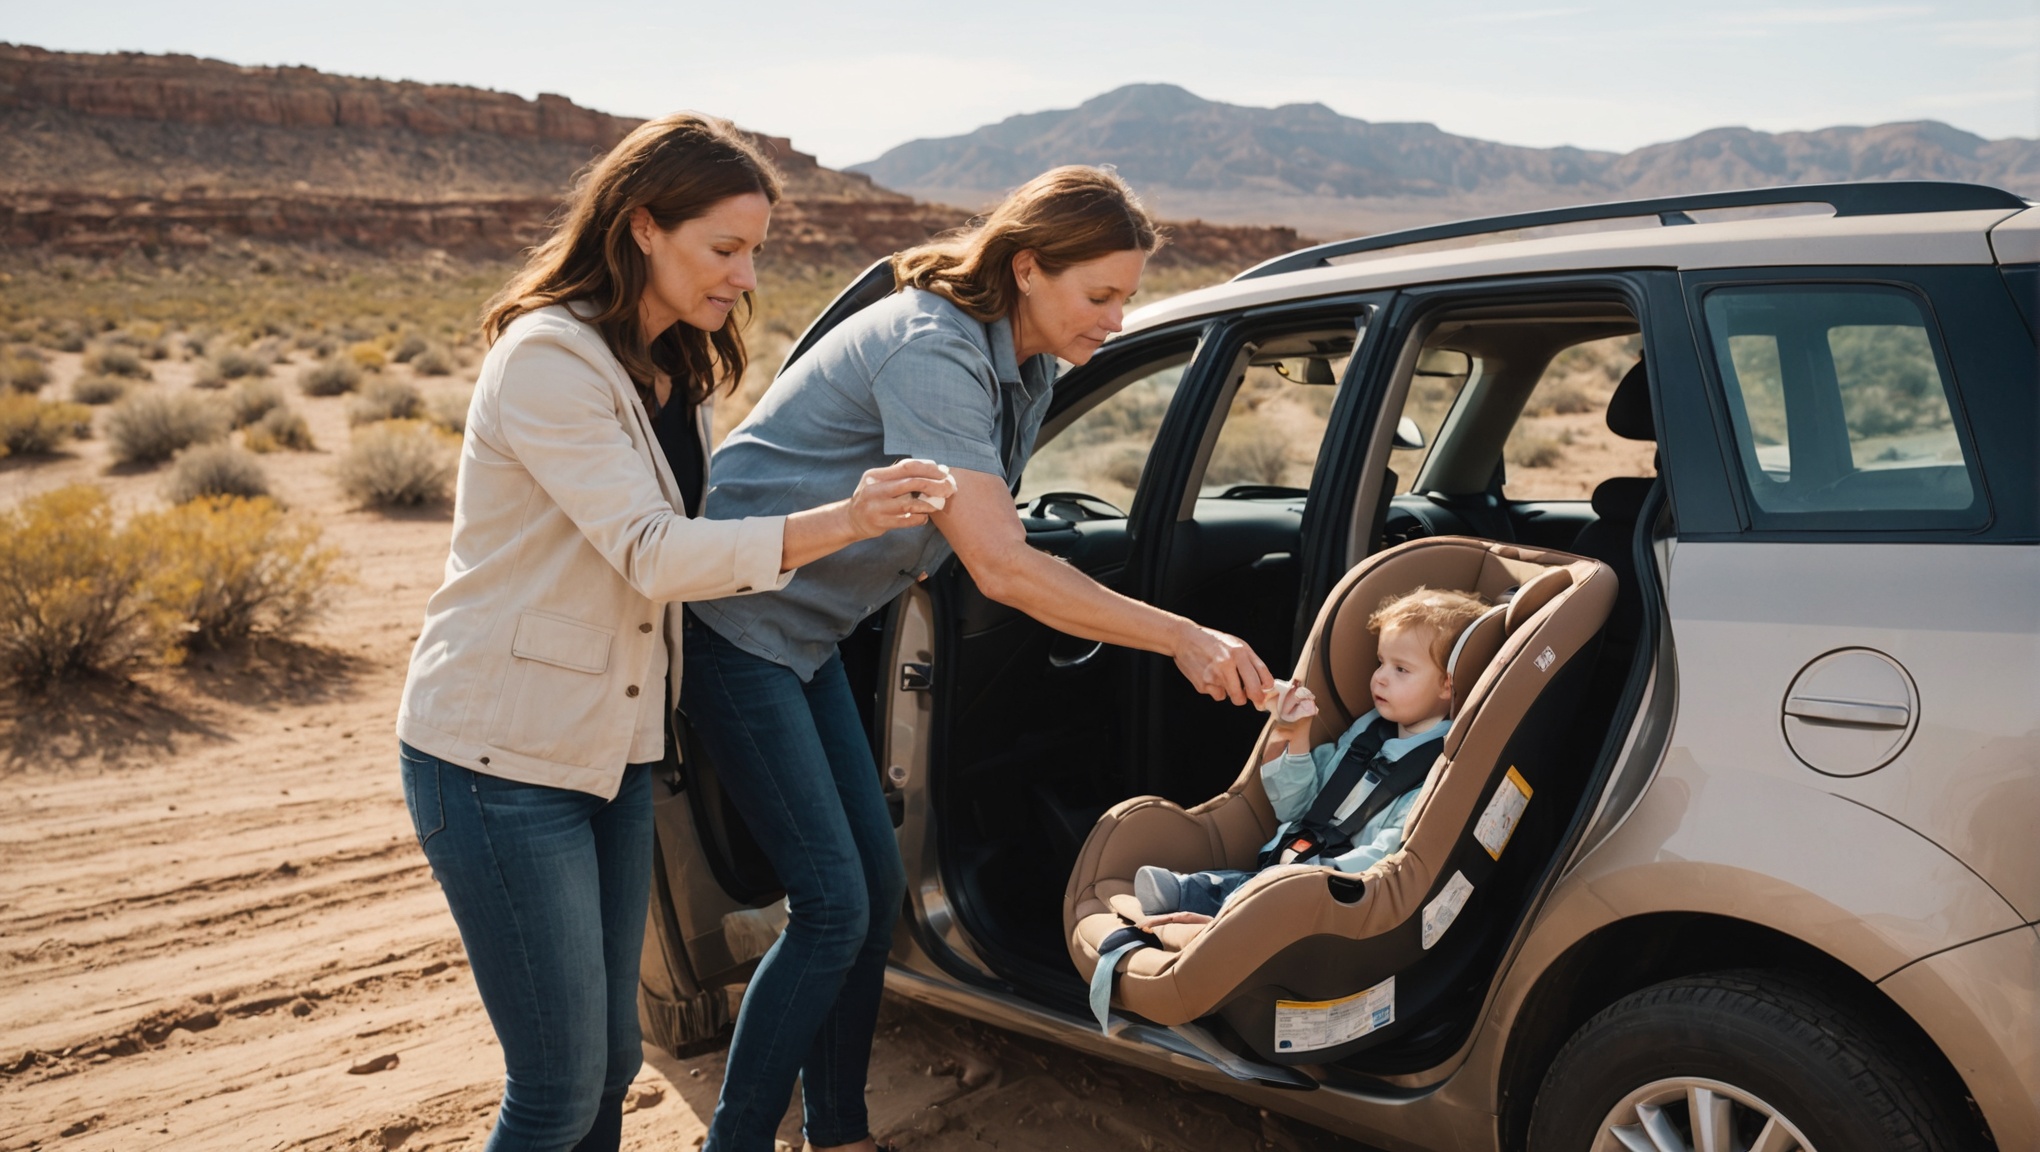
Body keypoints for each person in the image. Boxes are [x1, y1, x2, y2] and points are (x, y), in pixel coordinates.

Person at [683, 165, 1273, 1152]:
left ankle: (839, 1134)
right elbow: (1001, 567)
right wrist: (1183, 634)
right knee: (833, 907)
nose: (1118, 323)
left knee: (866, 902)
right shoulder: (933, 348)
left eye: (1128, 299)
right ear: (1030, 268)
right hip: (737, 627)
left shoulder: (1026, 365)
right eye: (1101, 297)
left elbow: (974, 521)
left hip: (813, 635)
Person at [394, 113, 952, 1152]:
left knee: (608, 1069)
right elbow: (654, 551)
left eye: (755, 253)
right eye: (725, 248)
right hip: (496, 759)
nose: (745, 277)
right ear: (644, 227)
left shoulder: (671, 369)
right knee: (557, 1090)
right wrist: (848, 518)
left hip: (607, 756)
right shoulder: (548, 360)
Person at [1134, 587, 1490, 921]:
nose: (1379, 677)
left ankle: (1199, 899)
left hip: (1339, 896)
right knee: (1246, 887)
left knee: (1248, 895)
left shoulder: (1442, 765)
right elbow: (1297, 808)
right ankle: (1204, 899)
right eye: (1381, 661)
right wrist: (1295, 736)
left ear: (1448, 684)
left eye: (1401, 669)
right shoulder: (1365, 734)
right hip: (1285, 867)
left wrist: (1315, 876)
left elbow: (1390, 853)